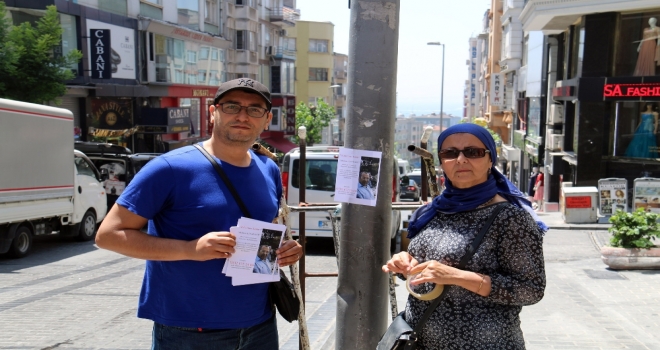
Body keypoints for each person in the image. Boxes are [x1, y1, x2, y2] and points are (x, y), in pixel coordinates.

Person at [95, 78, 302, 350]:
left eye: (254, 109)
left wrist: (286, 249)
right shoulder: (169, 168)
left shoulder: (268, 169)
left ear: (267, 119)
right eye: (232, 106)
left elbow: (268, 230)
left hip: (260, 323)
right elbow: (108, 236)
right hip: (190, 330)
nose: (242, 116)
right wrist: (191, 249)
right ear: (213, 112)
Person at [382, 123, 547, 349]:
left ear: (491, 159)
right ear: (441, 161)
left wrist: (457, 276)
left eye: (473, 152)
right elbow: (422, 272)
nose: (460, 159)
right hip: (420, 343)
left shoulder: (510, 218)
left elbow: (530, 290)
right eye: (450, 153)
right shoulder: (432, 211)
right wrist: (405, 265)